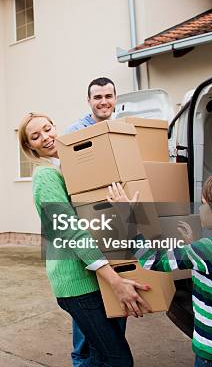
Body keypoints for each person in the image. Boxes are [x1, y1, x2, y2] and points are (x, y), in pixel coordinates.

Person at [19, 112, 151, 367]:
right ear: (30, 147)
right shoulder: (45, 177)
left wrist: (127, 211)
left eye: (48, 129)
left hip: (96, 276)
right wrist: (116, 282)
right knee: (117, 360)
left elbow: (97, 220)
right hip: (79, 284)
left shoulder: (75, 171)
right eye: (36, 136)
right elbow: (72, 232)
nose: (46, 137)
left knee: (98, 357)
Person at [107, 175, 212, 367]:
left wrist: (127, 219)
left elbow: (151, 260)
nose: (200, 208)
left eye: (203, 203)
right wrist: (193, 245)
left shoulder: (206, 250)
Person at [66, 76, 119, 366]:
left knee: (115, 296)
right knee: (88, 303)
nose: (103, 102)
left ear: (115, 98)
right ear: (89, 101)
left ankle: (110, 355)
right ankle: (82, 360)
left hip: (117, 221)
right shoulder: (75, 133)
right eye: (97, 97)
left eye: (107, 96)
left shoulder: (120, 129)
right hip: (89, 221)